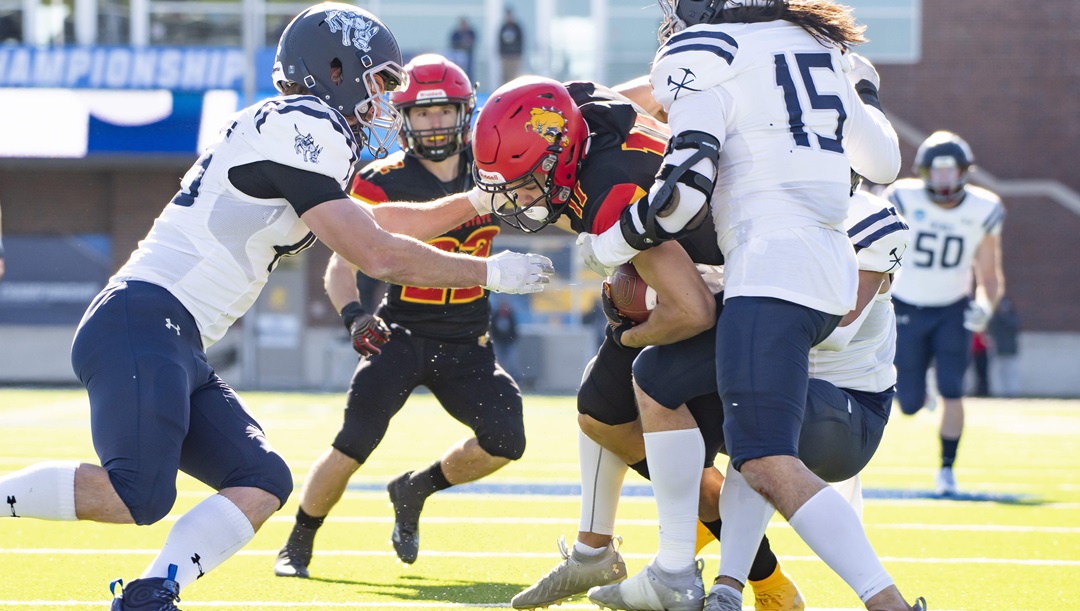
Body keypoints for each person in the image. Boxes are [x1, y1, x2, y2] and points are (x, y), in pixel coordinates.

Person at [0, 7, 552, 609]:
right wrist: (493, 271)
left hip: (176, 335)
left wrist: (474, 199)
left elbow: (381, 220)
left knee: (263, 480)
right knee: (138, 495)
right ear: (335, 70)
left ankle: (152, 593)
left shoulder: (298, 131)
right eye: (377, 84)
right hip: (143, 316)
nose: (380, 105)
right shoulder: (303, 123)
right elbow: (378, 253)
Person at [577, 2, 925, 611]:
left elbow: (680, 198)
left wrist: (606, 248)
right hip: (813, 269)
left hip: (774, 272)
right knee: (656, 378)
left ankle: (887, 605)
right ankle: (683, 570)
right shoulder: (819, 46)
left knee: (764, 460)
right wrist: (853, 89)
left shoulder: (703, 52)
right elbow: (886, 163)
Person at [470, 76, 802, 611]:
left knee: (661, 436)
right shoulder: (578, 104)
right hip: (721, 263)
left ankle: (744, 576)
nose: (518, 198)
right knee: (600, 411)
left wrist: (631, 330)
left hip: (744, 286)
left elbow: (691, 311)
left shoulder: (610, 192)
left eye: (527, 183)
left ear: (562, 153)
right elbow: (652, 89)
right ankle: (601, 548)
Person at [591, 179, 911, 611]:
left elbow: (837, 330)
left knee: (759, 421)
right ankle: (670, 564)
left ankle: (734, 587)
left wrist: (723, 297)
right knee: (646, 378)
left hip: (845, 405)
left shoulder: (868, 217)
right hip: (771, 370)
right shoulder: (752, 202)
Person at [273, 53, 529, 576]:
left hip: (467, 341)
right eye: (421, 112)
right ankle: (298, 542)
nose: (434, 123)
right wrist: (353, 317)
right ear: (404, 118)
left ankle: (416, 488)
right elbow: (338, 270)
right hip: (403, 332)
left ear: (465, 112)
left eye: (444, 111)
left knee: (507, 439)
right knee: (353, 442)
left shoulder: (494, 169)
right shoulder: (379, 180)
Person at [884, 130, 1006, 496]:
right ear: (924, 172)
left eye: (949, 171)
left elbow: (989, 273)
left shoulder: (983, 209)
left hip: (953, 307)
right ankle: (922, 389)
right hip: (906, 305)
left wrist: (986, 306)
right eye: (936, 171)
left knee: (954, 389)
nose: (943, 179)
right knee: (906, 404)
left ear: (963, 171)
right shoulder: (901, 198)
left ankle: (947, 471)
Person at [987, 296, 1021, 397]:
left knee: (1011, 372)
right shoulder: (995, 319)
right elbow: (991, 328)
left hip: (1011, 350)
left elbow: (1013, 326)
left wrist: (1004, 316)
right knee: (999, 373)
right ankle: (1000, 393)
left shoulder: (1013, 317)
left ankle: (1013, 392)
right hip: (998, 350)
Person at [490, 299, 522, 382]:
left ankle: (514, 379)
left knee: (511, 362)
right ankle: (499, 379)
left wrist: (511, 339)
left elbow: (514, 329)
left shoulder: (511, 316)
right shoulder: (496, 316)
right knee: (498, 361)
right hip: (499, 342)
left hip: (509, 343)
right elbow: (492, 329)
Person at [498, 8, 524, 84]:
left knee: (515, 75)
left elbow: (520, 40)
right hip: (505, 56)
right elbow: (500, 42)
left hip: (515, 56)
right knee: (505, 76)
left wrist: (518, 53)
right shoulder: (503, 28)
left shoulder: (517, 28)